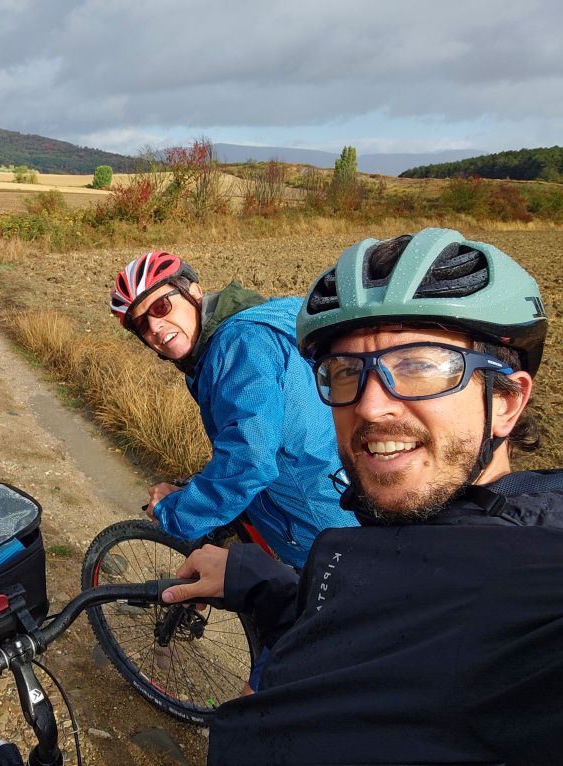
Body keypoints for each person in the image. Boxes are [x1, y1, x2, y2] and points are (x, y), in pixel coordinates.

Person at [163, 228, 563, 763]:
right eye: (348, 370)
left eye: (420, 365)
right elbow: (375, 621)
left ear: (508, 400)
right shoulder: (392, 538)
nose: (372, 407)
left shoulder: (536, 597)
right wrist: (266, 585)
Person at [110, 251, 357, 571]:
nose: (155, 326)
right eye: (142, 324)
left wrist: (175, 512)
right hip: (344, 495)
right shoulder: (261, 317)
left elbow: (249, 460)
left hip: (322, 532)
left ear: (194, 291)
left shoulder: (238, 346)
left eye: (161, 306)